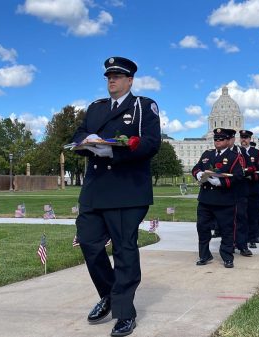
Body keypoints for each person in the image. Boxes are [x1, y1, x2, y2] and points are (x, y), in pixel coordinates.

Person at [71, 56, 161, 337]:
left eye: (118, 76)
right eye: (109, 76)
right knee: (89, 243)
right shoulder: (96, 108)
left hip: (127, 190)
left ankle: (124, 313)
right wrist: (86, 143)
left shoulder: (142, 106)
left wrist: (114, 150)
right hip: (95, 189)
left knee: (124, 250)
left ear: (130, 80)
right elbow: (80, 134)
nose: (112, 80)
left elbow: (150, 143)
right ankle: (110, 294)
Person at [191, 128, 244, 268]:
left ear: (228, 141)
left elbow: (238, 176)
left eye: (221, 139)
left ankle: (227, 256)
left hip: (224, 199)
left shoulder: (234, 157)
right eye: (216, 139)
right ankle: (204, 255)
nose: (217, 142)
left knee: (227, 230)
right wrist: (198, 175)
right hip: (205, 199)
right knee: (202, 228)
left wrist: (221, 182)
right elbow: (196, 168)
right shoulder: (207, 154)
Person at [239, 131, 259, 249]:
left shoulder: (257, 153)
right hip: (241, 188)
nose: (243, 140)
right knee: (242, 215)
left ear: (250, 139)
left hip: (254, 188)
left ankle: (254, 237)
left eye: (246, 138)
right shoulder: (236, 152)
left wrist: (252, 176)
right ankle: (243, 238)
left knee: (254, 213)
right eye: (242, 137)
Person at [229, 130, 253, 257]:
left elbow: (250, 167)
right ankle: (230, 244)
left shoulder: (242, 152)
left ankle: (242, 245)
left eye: (231, 138)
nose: (229, 140)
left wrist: (243, 172)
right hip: (226, 190)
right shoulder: (218, 153)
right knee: (227, 219)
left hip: (240, 190)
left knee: (241, 218)